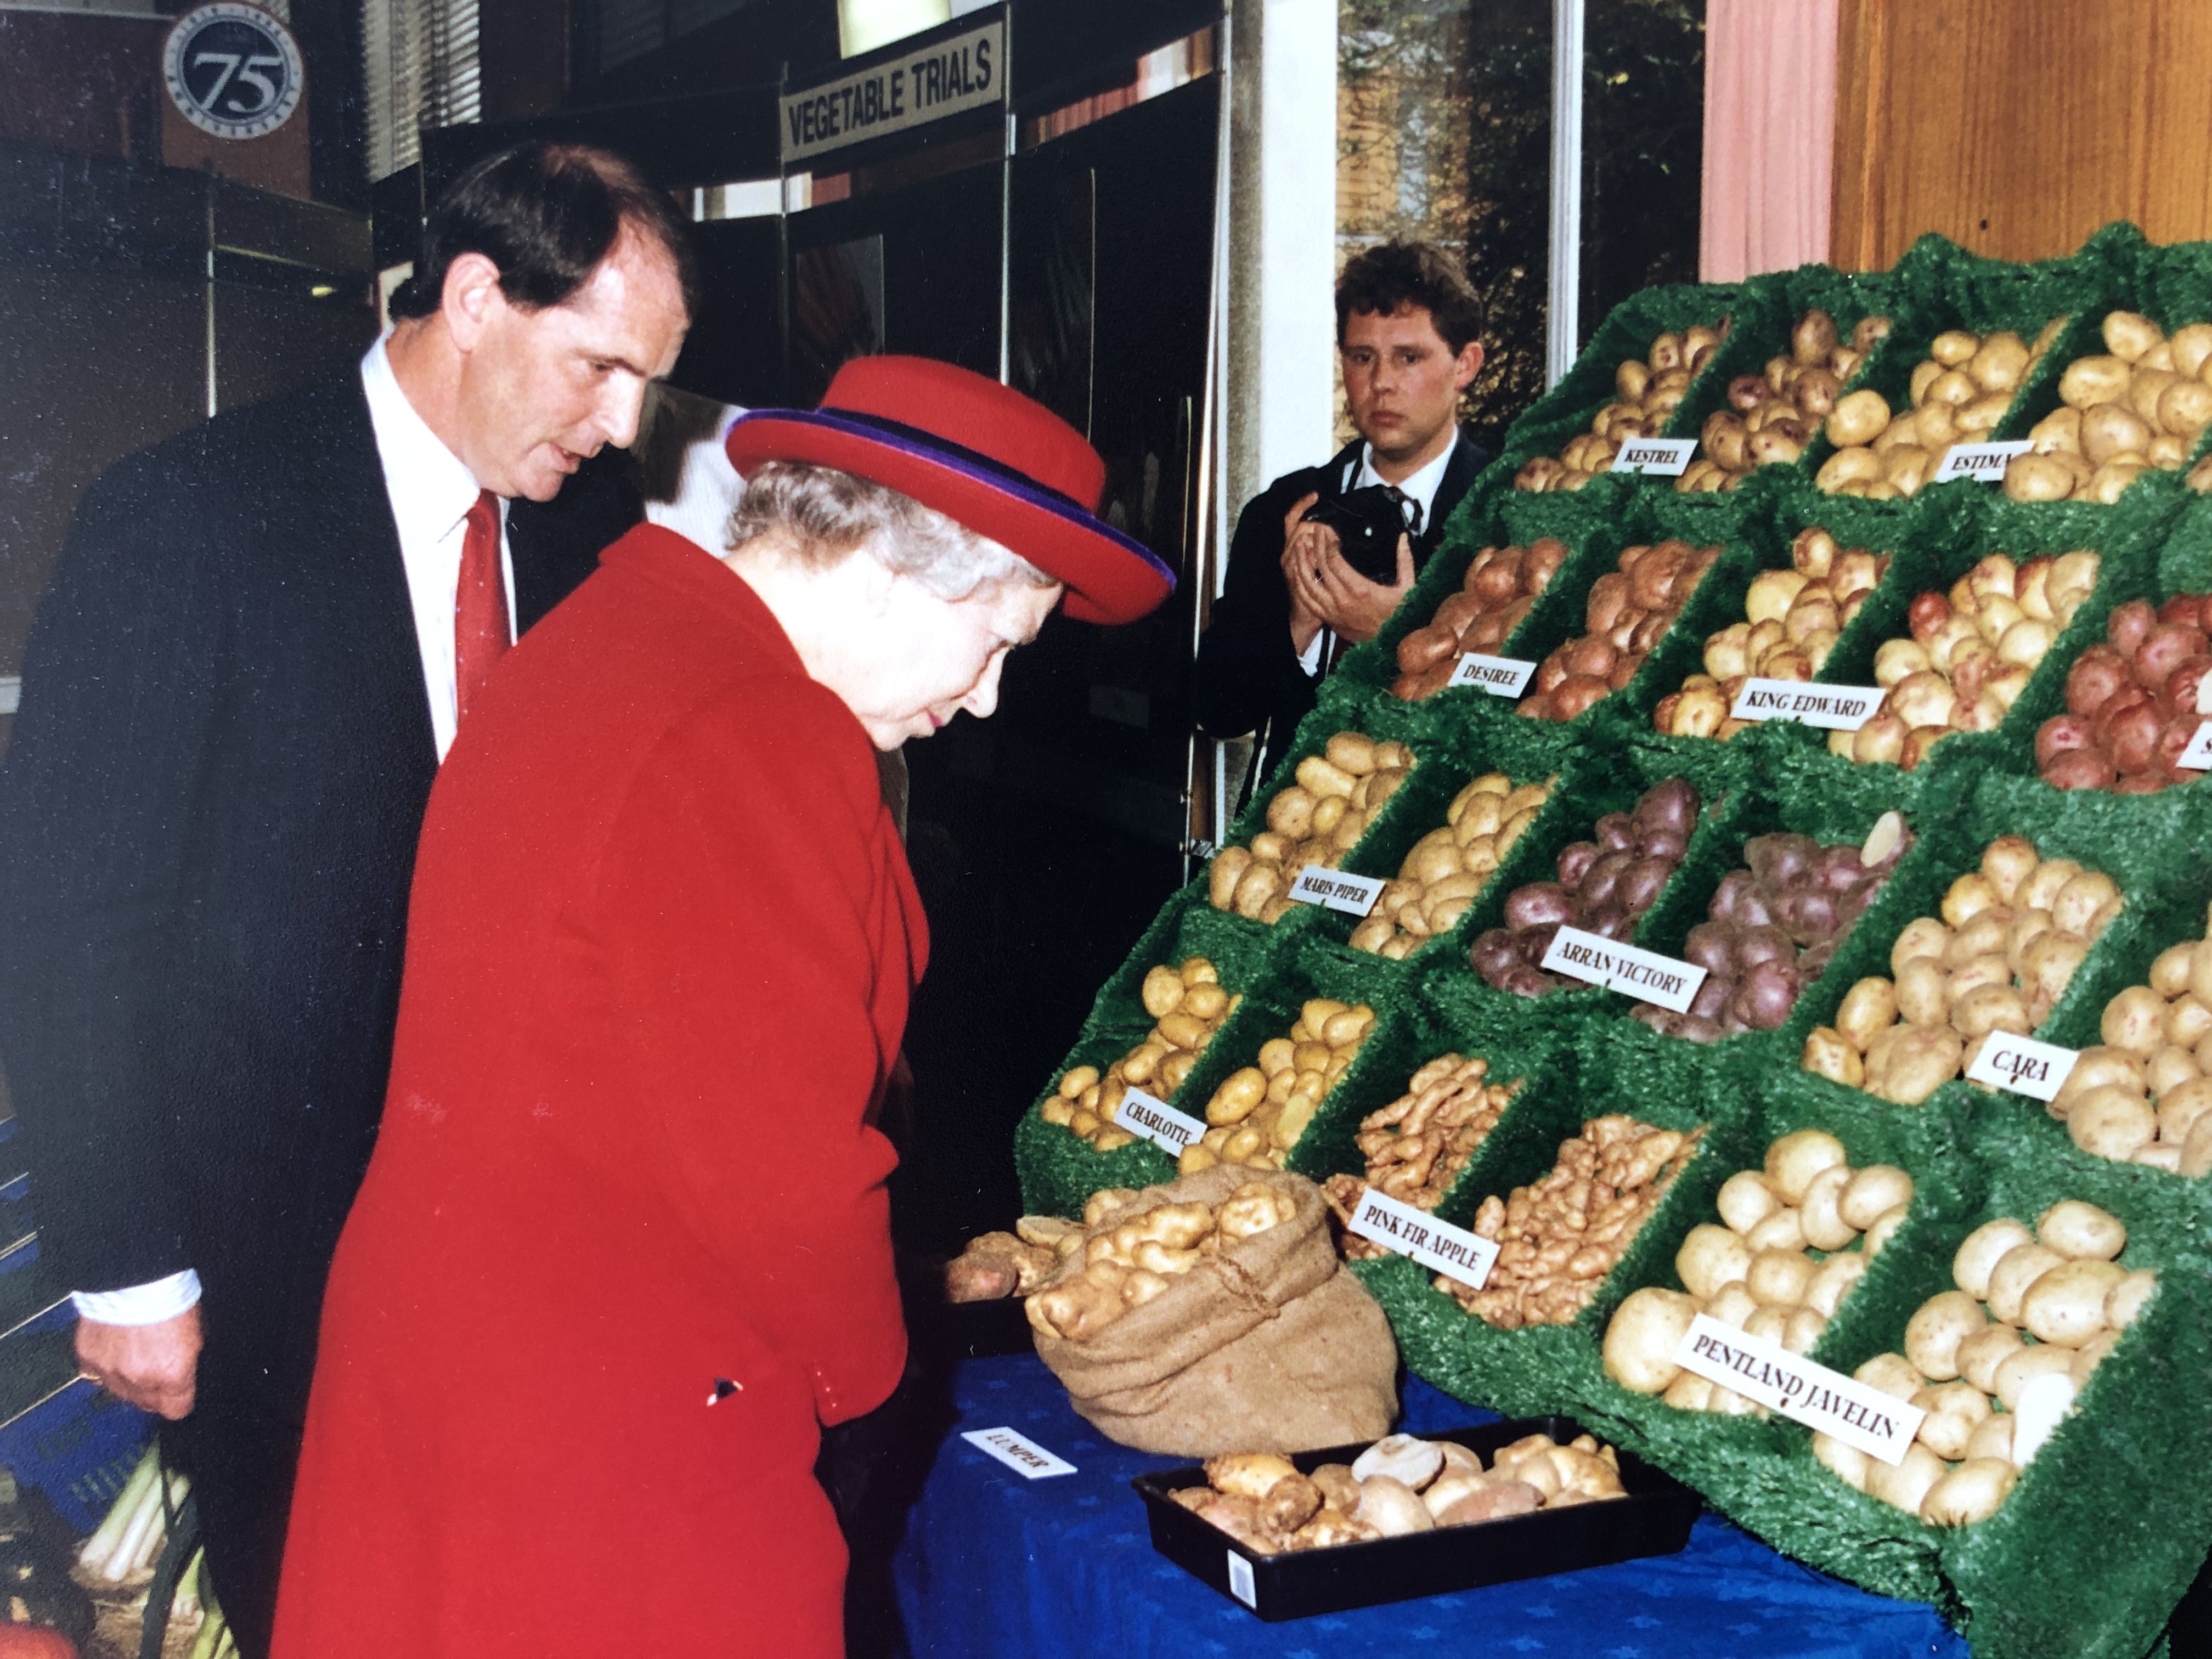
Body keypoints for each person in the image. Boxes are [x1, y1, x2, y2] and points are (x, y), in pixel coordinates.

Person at [268, 356, 1172, 1658]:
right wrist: (861, 1386)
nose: (982, 699)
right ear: (891, 565)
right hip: (623, 1431)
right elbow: (787, 1176)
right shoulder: (760, 731)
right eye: (995, 644)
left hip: (456, 1373)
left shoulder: (604, 639)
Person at [0, 140, 694, 1654]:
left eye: (648, 379)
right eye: (598, 367)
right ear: (473, 297)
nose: (624, 420)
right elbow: (68, 920)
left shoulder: (582, 532)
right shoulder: (186, 515)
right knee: (307, 1601)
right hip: (267, 1253)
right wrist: (124, 1261)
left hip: (517, 1239)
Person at [1192, 240, 1491, 782]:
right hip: (1292, 841)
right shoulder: (1284, 511)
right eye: (1362, 357)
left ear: (1465, 364)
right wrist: (1300, 620)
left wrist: (1401, 637)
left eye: (1409, 357)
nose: (1381, 383)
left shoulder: (1509, 516)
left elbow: (1535, 706)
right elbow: (1217, 708)